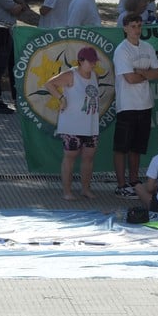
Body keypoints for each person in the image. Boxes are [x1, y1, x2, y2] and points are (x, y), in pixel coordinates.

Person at [113, 14, 158, 198]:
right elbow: (130, 79)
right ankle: (121, 185)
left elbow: (157, 73)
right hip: (127, 104)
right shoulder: (121, 50)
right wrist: (146, 74)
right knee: (122, 147)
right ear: (125, 28)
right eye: (133, 26)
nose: (137, 30)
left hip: (145, 104)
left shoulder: (148, 47)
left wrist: (141, 72)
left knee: (137, 147)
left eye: (139, 26)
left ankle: (133, 181)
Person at [45, 46, 101, 201]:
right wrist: (61, 98)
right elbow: (49, 84)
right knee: (70, 157)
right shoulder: (71, 74)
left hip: (91, 124)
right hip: (72, 125)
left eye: (94, 61)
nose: (93, 64)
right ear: (81, 61)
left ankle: (85, 189)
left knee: (89, 157)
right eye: (90, 61)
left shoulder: (95, 75)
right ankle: (67, 191)